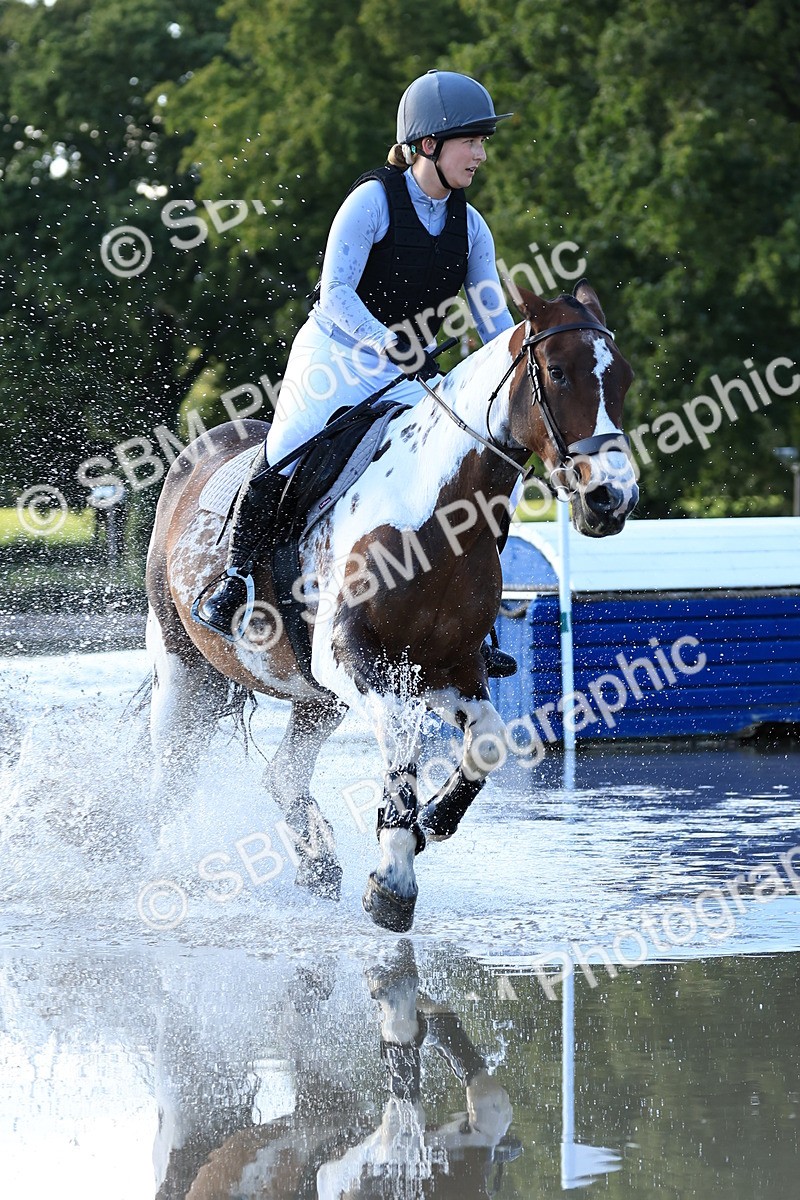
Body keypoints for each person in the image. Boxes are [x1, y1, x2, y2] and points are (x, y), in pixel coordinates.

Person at [196, 69, 518, 676]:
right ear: (427, 143)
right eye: (470, 140)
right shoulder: (372, 200)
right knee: (287, 451)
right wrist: (384, 340)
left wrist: (520, 360)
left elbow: (490, 310)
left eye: (483, 141)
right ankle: (235, 579)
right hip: (336, 357)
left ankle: (476, 617)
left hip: (407, 370)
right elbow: (335, 292)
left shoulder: (471, 225)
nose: (480, 153)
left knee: (471, 468)